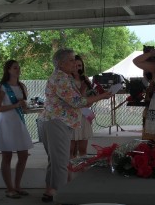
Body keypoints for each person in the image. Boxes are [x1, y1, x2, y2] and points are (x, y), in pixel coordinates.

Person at [38, 49, 111, 202]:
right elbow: (76, 102)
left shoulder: (63, 77)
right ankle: (62, 196)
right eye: (71, 60)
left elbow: (76, 98)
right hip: (57, 122)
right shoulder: (61, 79)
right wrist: (102, 96)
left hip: (54, 121)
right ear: (60, 63)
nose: (74, 63)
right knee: (62, 162)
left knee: (56, 160)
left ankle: (51, 192)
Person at [0, 59, 33, 199]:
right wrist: (16, 106)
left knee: (23, 154)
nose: (18, 70)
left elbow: (23, 105)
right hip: (6, 123)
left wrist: (24, 106)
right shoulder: (2, 86)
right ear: (8, 70)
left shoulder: (21, 86)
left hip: (18, 123)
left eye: (18, 67)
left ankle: (18, 186)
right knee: (7, 156)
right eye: (15, 68)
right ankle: (10, 188)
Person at [69, 55, 94, 159]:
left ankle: (82, 171)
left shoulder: (85, 79)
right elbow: (74, 100)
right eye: (75, 65)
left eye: (80, 65)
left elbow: (88, 98)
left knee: (83, 150)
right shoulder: (67, 80)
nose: (78, 68)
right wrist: (82, 89)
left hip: (83, 116)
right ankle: (70, 173)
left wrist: (91, 100)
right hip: (71, 117)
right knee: (71, 151)